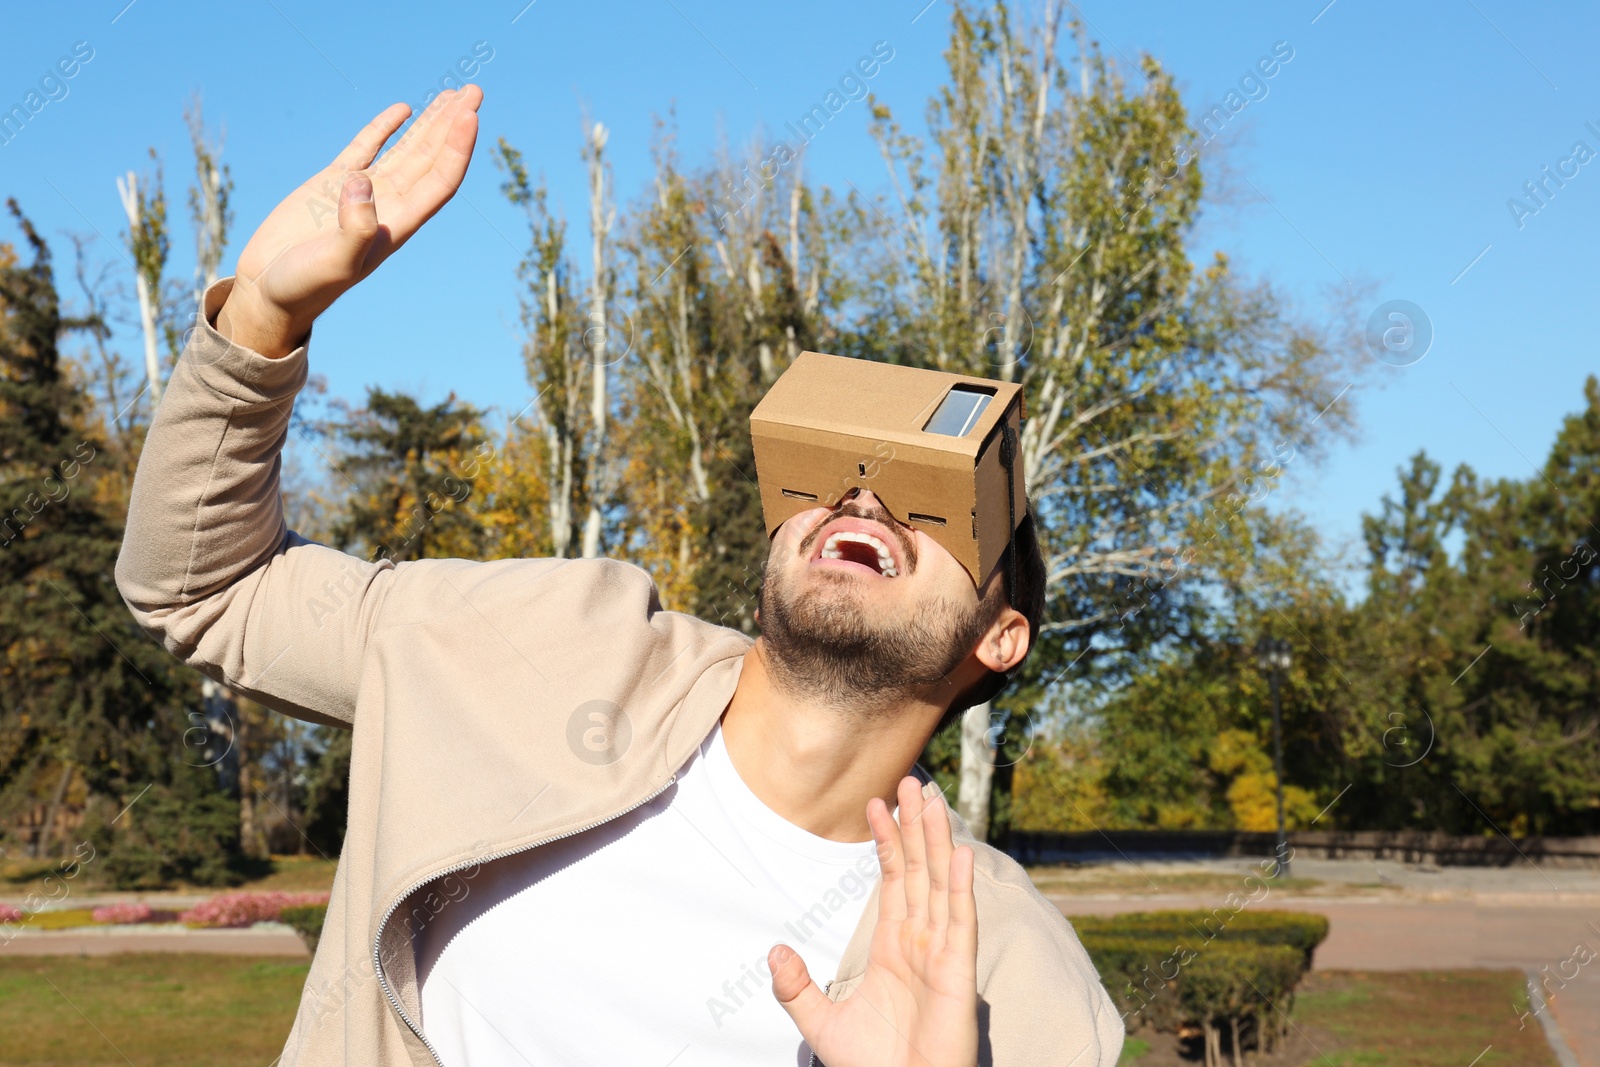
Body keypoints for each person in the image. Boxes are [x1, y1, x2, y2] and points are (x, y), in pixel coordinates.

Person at [115, 85, 1122, 1067]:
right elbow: (206, 588)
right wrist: (259, 319)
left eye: (939, 502)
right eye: (837, 480)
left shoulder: (1016, 978)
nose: (865, 501)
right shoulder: (535, 638)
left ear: (1001, 635)